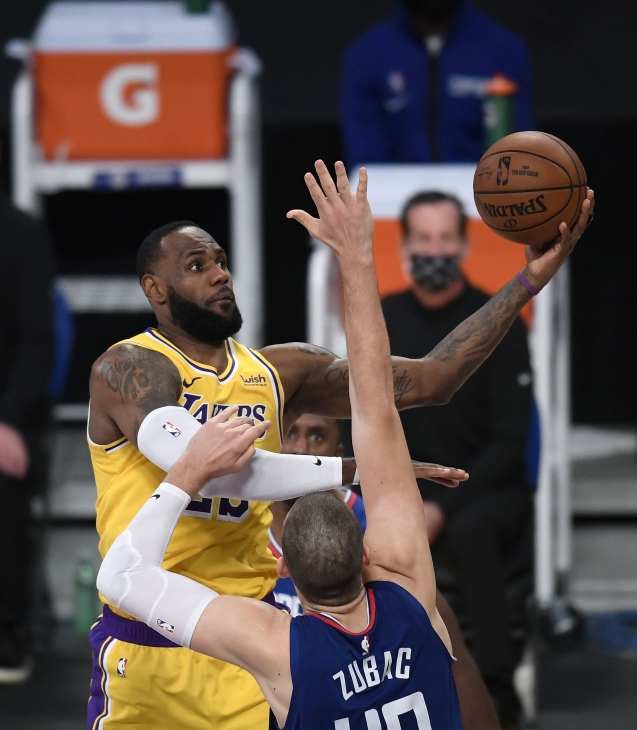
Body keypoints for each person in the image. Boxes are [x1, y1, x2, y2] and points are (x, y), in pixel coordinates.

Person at [85, 164, 591, 727]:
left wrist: (527, 283)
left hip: (251, 646)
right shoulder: (125, 367)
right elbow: (208, 467)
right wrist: (358, 467)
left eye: (222, 262)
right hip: (148, 638)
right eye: (196, 266)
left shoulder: (281, 371)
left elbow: (430, 381)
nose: (219, 275)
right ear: (154, 289)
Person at [382, 190, 534, 725]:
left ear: (465, 244)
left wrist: (441, 507)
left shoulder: (499, 323)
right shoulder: (379, 321)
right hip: (401, 486)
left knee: (472, 532)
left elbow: (510, 441)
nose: (435, 248)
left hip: (487, 489)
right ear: (402, 246)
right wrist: (406, 500)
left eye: (445, 237)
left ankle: (494, 688)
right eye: (423, 238)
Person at [269, 412, 502, 730]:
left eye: (317, 436)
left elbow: (443, 647)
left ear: (339, 451)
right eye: (290, 434)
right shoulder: (242, 534)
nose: (300, 450)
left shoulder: (372, 527)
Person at [341, 0, 532, 168]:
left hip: (480, 191)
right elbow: (365, 156)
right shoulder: (367, 54)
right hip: (394, 195)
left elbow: (517, 143)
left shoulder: (504, 49)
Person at [0, 192, 54, 683]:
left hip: (7, 414)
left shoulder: (20, 235)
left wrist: (9, 421)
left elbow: (39, 341)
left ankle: (8, 633)